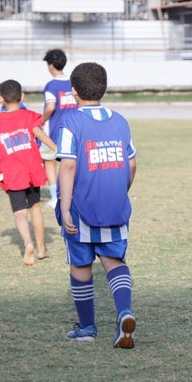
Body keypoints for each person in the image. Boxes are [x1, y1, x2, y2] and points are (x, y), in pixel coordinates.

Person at [55, 62, 137, 348]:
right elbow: (132, 162)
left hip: (80, 206)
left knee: (81, 265)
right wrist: (121, 189)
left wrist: (65, 208)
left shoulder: (70, 121)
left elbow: (67, 165)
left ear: (73, 90)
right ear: (104, 88)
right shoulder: (120, 121)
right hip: (114, 203)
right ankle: (124, 312)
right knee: (114, 261)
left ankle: (88, 328)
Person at [0, 79, 57, 265]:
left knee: (19, 213)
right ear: (22, 96)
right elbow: (41, 135)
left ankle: (28, 243)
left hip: (11, 173)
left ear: (1, 98)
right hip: (32, 169)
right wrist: (57, 148)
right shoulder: (29, 116)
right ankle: (41, 249)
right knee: (36, 208)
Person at [41, 48, 77, 209]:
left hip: (55, 132)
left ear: (50, 66)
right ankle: (72, 194)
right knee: (70, 163)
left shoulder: (51, 85)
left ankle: (56, 197)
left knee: (49, 162)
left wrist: (41, 120)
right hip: (74, 129)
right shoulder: (73, 82)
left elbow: (50, 107)